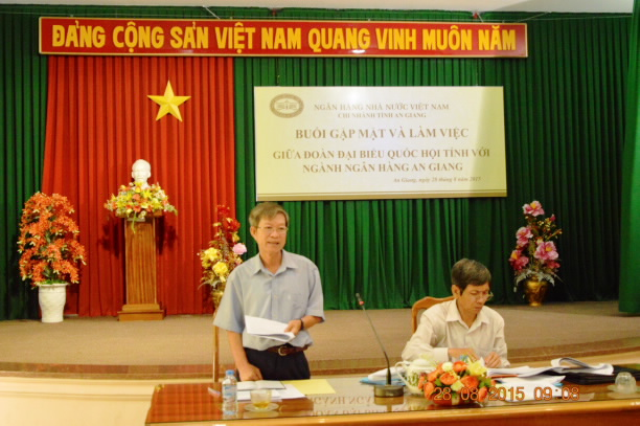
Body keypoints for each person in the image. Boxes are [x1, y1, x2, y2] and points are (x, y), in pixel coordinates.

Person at [214, 202, 325, 381]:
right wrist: (243, 366)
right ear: (254, 232)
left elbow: (316, 313)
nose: (275, 234)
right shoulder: (240, 276)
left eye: (281, 228)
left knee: (299, 401)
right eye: (268, 228)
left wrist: (301, 323)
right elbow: (232, 325)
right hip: (255, 362)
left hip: (294, 360)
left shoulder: (306, 269)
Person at [401, 258, 509, 368]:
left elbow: (504, 361)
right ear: (456, 291)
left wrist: (498, 362)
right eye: (474, 293)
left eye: (485, 293)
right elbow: (410, 352)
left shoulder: (495, 320)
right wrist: (449, 352)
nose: (481, 300)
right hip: (444, 378)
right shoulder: (434, 316)